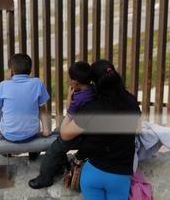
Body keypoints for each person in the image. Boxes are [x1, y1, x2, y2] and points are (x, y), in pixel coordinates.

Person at [60, 59, 141, 200]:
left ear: (96, 84)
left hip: (93, 172)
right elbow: (138, 128)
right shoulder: (132, 102)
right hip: (120, 176)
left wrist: (70, 110)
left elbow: (65, 135)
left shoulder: (93, 109)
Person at [28, 61, 95, 189]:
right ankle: (63, 164)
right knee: (57, 131)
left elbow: (69, 113)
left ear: (75, 82)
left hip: (79, 132)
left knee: (53, 151)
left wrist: (69, 97)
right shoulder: (93, 90)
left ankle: (45, 178)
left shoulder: (79, 98)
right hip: (88, 129)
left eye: (71, 80)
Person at [0, 53, 51, 144]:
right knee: (38, 106)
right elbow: (43, 109)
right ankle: (34, 151)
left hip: (8, 135)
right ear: (30, 70)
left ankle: (1, 144)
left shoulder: (3, 85)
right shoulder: (37, 83)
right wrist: (46, 131)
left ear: (11, 71)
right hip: (31, 134)